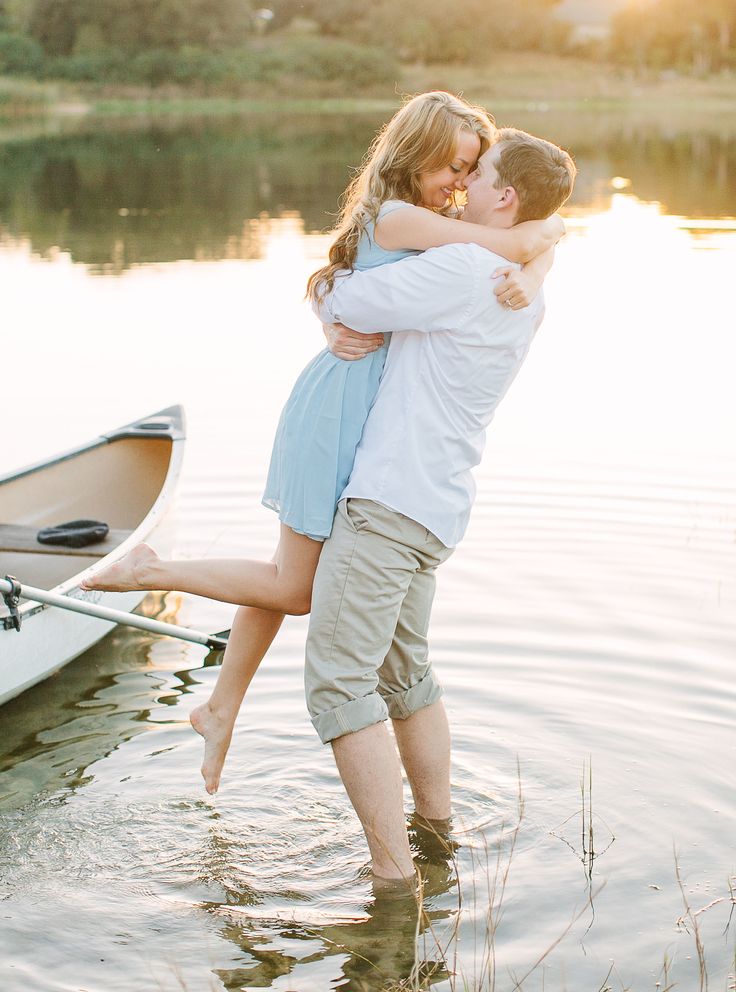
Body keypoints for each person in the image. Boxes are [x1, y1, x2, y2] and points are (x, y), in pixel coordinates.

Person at [81, 93, 563, 795]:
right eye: (453, 166)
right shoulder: (401, 217)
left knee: (287, 576)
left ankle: (221, 707)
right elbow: (510, 238)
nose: (460, 184)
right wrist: (525, 255)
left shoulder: (434, 223)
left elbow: (531, 230)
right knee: (294, 585)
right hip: (337, 410)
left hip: (365, 418)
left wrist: (536, 261)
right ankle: (156, 574)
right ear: (416, 153)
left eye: (470, 171)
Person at [304, 127, 576, 884]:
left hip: (389, 503)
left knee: (338, 681)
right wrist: (541, 244)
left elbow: (351, 296)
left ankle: (392, 879)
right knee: (405, 675)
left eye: (478, 173)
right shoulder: (526, 289)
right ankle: (436, 835)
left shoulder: (463, 267)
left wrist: (326, 297)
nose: (464, 185)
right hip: (438, 507)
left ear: (504, 196)